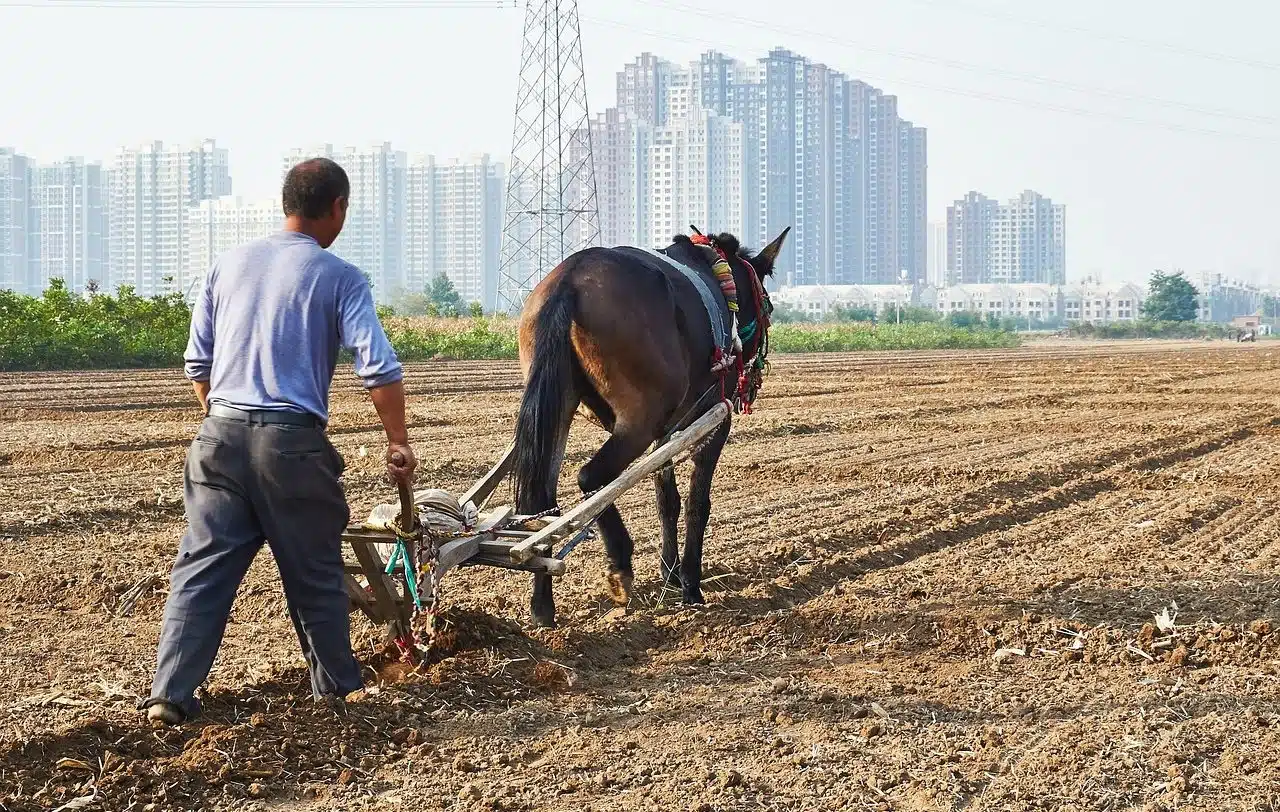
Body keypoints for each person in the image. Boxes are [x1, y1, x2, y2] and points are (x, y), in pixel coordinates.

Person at [140, 158, 417, 726]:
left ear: (287, 202)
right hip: (290, 446)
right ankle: (338, 695)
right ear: (337, 207)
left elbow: (199, 362)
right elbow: (379, 369)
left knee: (202, 568)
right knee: (314, 572)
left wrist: (226, 426)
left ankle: (169, 694)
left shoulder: (228, 263)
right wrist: (399, 442)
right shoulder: (339, 276)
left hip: (217, 435)